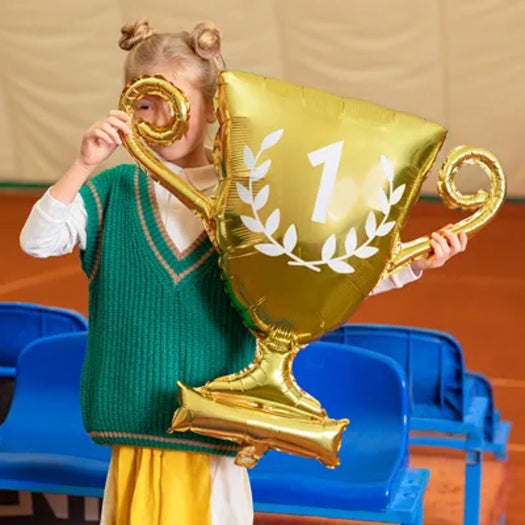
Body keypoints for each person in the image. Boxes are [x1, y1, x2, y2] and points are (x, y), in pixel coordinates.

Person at [19, 18, 467, 525]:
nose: (160, 117)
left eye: (176, 101)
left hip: (215, 431)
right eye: (145, 103)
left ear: (213, 108)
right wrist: (83, 164)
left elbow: (313, 279)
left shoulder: (251, 193)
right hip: (134, 428)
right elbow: (38, 241)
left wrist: (411, 265)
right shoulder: (113, 190)